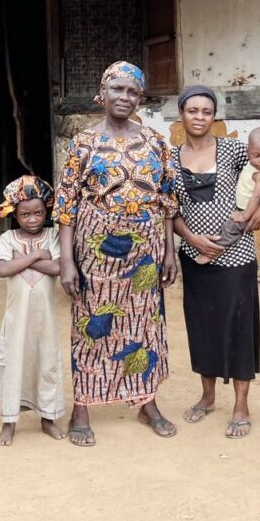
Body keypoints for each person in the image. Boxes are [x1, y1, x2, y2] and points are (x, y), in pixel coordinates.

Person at [55, 61, 179, 447]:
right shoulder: (82, 143)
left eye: (132, 92)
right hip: (96, 251)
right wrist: (66, 260)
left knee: (144, 325)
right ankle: (82, 406)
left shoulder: (156, 141)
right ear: (103, 93)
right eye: (117, 90)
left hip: (146, 250)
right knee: (92, 326)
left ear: (139, 97)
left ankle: (147, 401)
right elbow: (66, 205)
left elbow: (168, 200)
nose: (124, 98)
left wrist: (170, 251)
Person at [173, 85, 260, 438]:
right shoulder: (171, 160)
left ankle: (241, 404)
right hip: (195, 258)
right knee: (202, 326)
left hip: (238, 255)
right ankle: (207, 396)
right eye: (192, 111)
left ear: (214, 116)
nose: (199, 117)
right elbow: (169, 210)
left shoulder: (232, 149)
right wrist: (191, 238)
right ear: (181, 114)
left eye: (206, 111)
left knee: (240, 326)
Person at [0, 175, 67, 446]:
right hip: (16, 321)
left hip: (44, 321)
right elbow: (3, 269)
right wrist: (36, 256)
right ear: (15, 215)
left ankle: (48, 418)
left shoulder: (53, 236)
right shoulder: (7, 238)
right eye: (25, 214)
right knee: (12, 366)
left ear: (46, 211)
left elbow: (58, 267)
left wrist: (20, 261)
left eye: (38, 213)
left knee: (46, 364)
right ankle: (9, 422)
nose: (32, 219)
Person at [194, 126, 260, 265]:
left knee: (230, 227)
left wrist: (244, 215)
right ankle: (234, 238)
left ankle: (216, 250)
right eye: (257, 156)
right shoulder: (252, 166)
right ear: (248, 152)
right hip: (246, 207)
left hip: (251, 209)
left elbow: (256, 197)